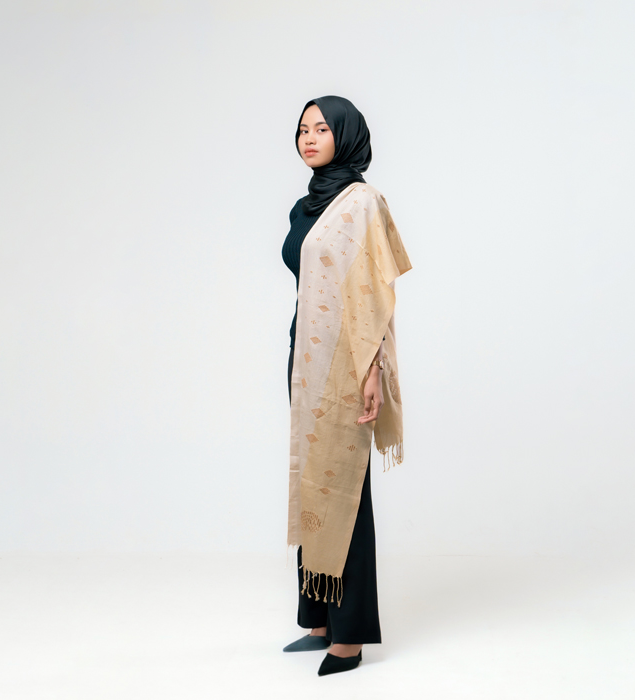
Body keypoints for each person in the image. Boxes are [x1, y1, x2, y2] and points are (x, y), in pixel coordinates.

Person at [280, 95, 412, 676]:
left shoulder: (363, 202)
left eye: (321, 128)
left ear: (346, 135)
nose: (309, 138)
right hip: (305, 358)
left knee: (346, 489)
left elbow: (377, 295)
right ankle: (318, 619)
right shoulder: (305, 206)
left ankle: (350, 636)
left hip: (347, 363)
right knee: (311, 478)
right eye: (302, 129)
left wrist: (372, 371)